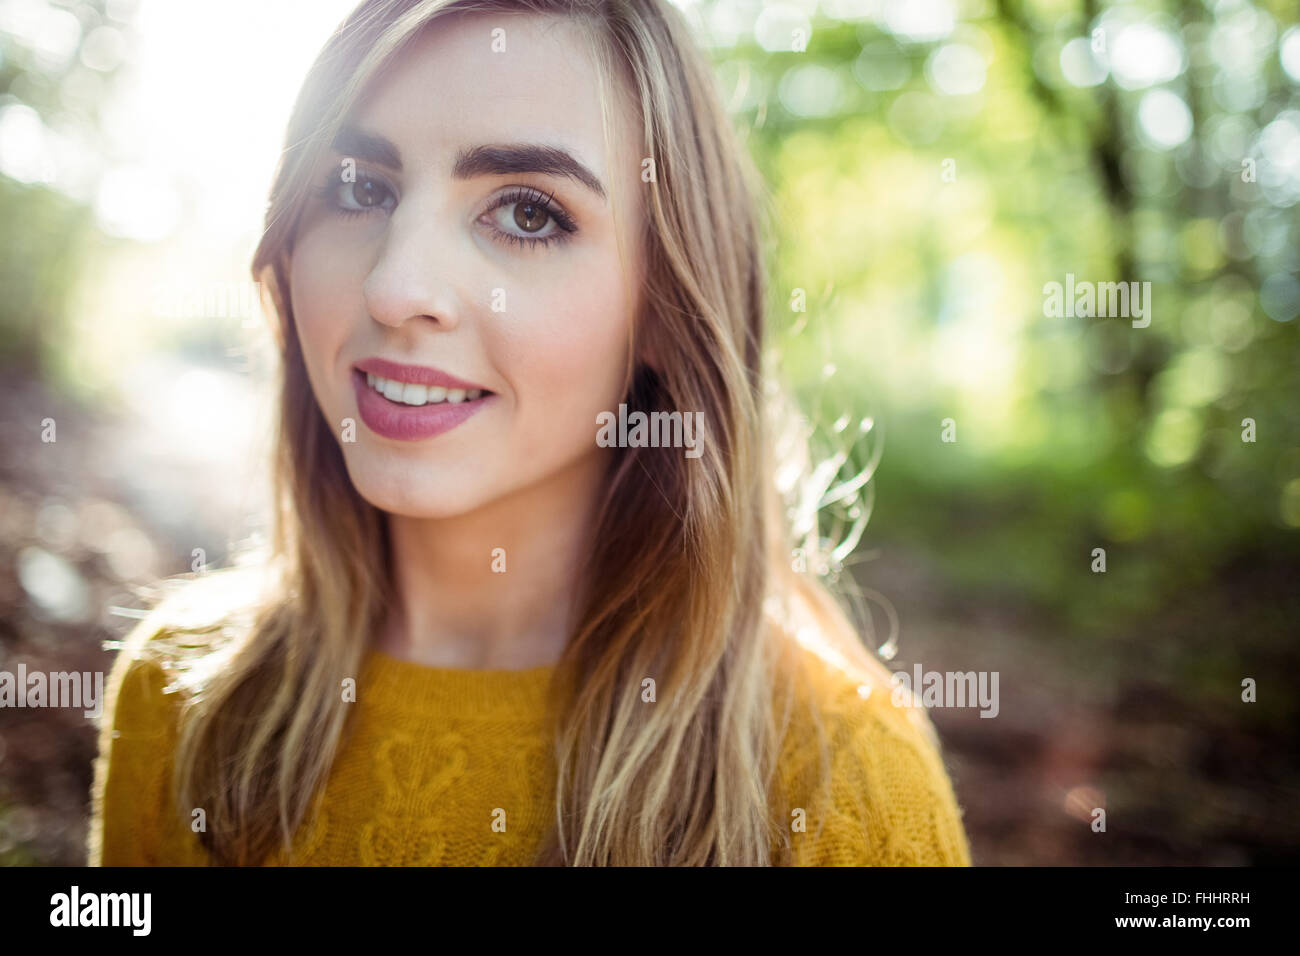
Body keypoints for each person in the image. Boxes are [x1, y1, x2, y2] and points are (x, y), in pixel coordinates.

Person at [89, 0, 972, 867]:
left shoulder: (841, 786)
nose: (397, 288)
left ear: (664, 308)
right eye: (359, 187)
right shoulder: (181, 693)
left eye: (526, 213)